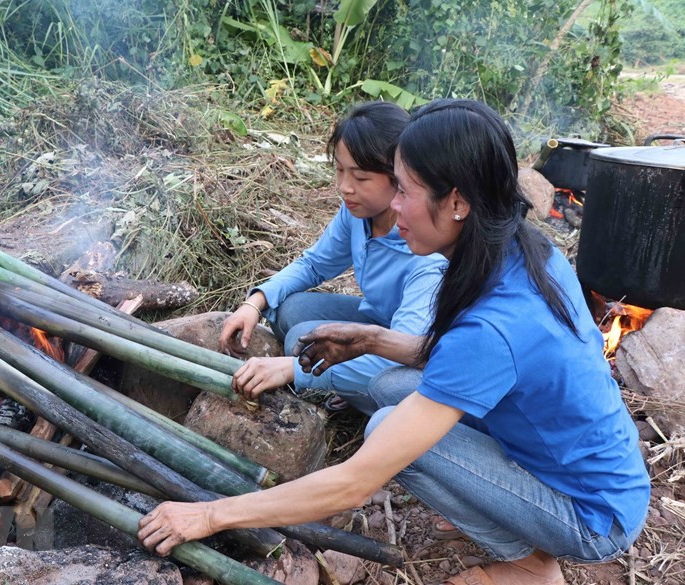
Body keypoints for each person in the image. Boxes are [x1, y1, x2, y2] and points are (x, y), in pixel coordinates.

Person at [138, 99, 650, 585]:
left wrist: (209, 514)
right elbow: (470, 364)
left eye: (403, 190)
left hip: (593, 515)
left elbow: (355, 483)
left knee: (390, 431)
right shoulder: (520, 249)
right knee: (392, 388)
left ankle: (532, 566)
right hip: (578, 462)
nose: (394, 207)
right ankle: (509, 515)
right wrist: (376, 339)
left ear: (457, 202)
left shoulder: (494, 322)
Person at [219, 101, 446, 413]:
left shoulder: (428, 248)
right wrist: (253, 303)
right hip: (380, 320)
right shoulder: (358, 213)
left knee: (306, 344)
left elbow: (407, 349)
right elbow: (314, 264)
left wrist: (293, 370)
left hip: (412, 352)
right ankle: (349, 386)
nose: (344, 187)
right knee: (293, 312)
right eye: (340, 170)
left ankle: (364, 399)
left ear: (400, 175)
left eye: (361, 178)